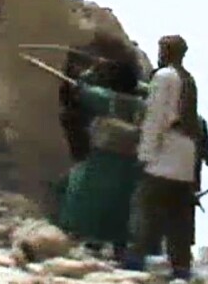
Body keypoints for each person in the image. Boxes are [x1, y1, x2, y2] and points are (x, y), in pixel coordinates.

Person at [124, 35, 200, 280]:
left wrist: (145, 153)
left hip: (165, 152)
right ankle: (181, 267)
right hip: (185, 156)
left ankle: (135, 261)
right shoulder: (189, 79)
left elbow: (155, 118)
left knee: (146, 207)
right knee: (178, 215)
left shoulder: (164, 76)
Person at [54, 58, 146, 262]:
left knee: (82, 195)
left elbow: (78, 88)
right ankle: (119, 248)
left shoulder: (105, 98)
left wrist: (91, 71)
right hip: (130, 163)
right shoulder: (142, 105)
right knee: (121, 206)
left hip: (103, 158)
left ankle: (89, 242)